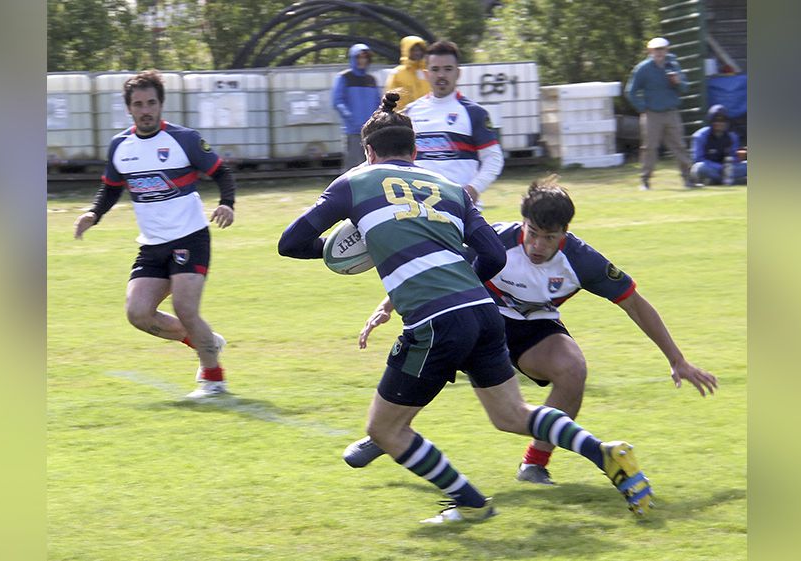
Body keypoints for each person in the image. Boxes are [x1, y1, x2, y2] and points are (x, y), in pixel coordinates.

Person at [278, 92, 654, 524]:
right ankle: (604, 451)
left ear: (368, 152)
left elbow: (290, 243)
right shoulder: (451, 188)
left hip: (434, 319)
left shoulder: (355, 182)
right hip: (483, 312)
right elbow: (493, 256)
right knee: (511, 415)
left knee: (385, 429)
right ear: (415, 150)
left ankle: (470, 502)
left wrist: (351, 248)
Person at [348, 178, 718, 486]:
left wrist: (677, 359)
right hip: (476, 318)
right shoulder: (494, 240)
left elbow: (635, 303)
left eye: (549, 237)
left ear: (565, 234)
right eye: (533, 233)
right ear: (522, 223)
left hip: (534, 329)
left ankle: (534, 464)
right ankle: (387, 433)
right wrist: (386, 306)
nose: (538, 245)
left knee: (572, 370)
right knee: (434, 354)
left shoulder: (583, 261)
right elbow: (435, 267)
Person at [73, 70, 237, 399]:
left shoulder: (184, 139)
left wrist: (227, 203)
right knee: (137, 313)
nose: (145, 109)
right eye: (138, 104)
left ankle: (214, 379)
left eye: (151, 102)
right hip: (152, 245)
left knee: (185, 308)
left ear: (161, 105)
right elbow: (110, 189)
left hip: (190, 238)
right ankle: (205, 340)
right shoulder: (121, 146)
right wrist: (94, 213)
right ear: (129, 109)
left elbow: (222, 172)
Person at [404, 40, 503, 207]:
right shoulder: (409, 113)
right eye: (435, 69)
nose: (441, 75)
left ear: (458, 73)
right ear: (427, 74)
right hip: (418, 210)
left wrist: (473, 189)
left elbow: (493, 158)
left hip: (462, 210)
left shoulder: (475, 113)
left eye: (448, 69)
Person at [624, 37, 694, 190]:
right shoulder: (642, 68)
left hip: (671, 112)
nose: (659, 53)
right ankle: (645, 181)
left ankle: (688, 179)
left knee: (679, 146)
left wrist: (677, 82)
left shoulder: (673, 66)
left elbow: (685, 88)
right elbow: (631, 91)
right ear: (650, 51)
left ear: (667, 50)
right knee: (649, 148)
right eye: (656, 50)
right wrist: (642, 108)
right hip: (652, 114)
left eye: (662, 49)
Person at [332, 44, 382, 170]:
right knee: (352, 168)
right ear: (353, 58)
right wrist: (350, 118)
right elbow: (337, 101)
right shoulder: (344, 77)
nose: (362, 60)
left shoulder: (371, 80)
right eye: (359, 57)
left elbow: (378, 102)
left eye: (365, 57)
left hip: (372, 131)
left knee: (373, 165)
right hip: (353, 131)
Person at [690, 104, 748, 186]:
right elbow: (698, 159)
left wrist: (736, 160)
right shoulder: (700, 136)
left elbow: (733, 157)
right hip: (710, 168)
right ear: (711, 121)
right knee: (698, 168)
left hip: (728, 169)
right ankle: (732, 181)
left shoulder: (732, 137)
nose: (719, 123)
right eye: (716, 120)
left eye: (723, 120)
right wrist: (720, 167)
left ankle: (716, 181)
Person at [384, 35, 430, 111]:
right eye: (414, 50)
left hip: (425, 116)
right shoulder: (397, 73)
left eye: (420, 50)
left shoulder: (426, 72)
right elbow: (389, 98)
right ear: (406, 51)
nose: (417, 53)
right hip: (403, 117)